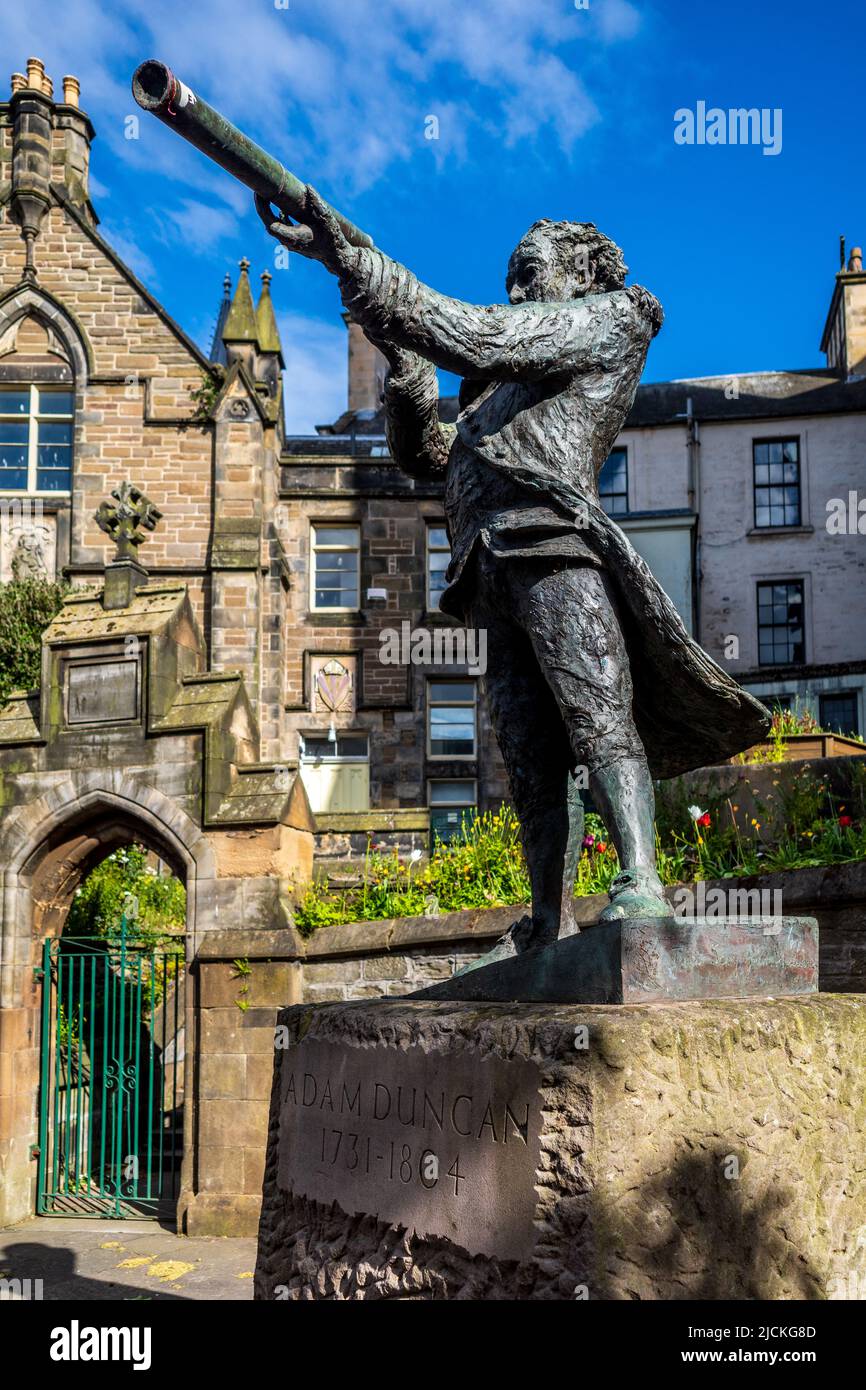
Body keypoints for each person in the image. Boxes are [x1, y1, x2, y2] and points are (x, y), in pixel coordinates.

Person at [259, 189, 769, 956]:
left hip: (550, 544)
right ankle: (546, 917)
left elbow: (476, 334)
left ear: (577, 271)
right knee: (529, 756)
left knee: (597, 716)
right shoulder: (500, 392)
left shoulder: (609, 317)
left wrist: (358, 264)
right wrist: (404, 370)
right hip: (489, 576)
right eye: (513, 279)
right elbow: (429, 457)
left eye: (529, 274)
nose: (518, 292)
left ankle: (642, 882)